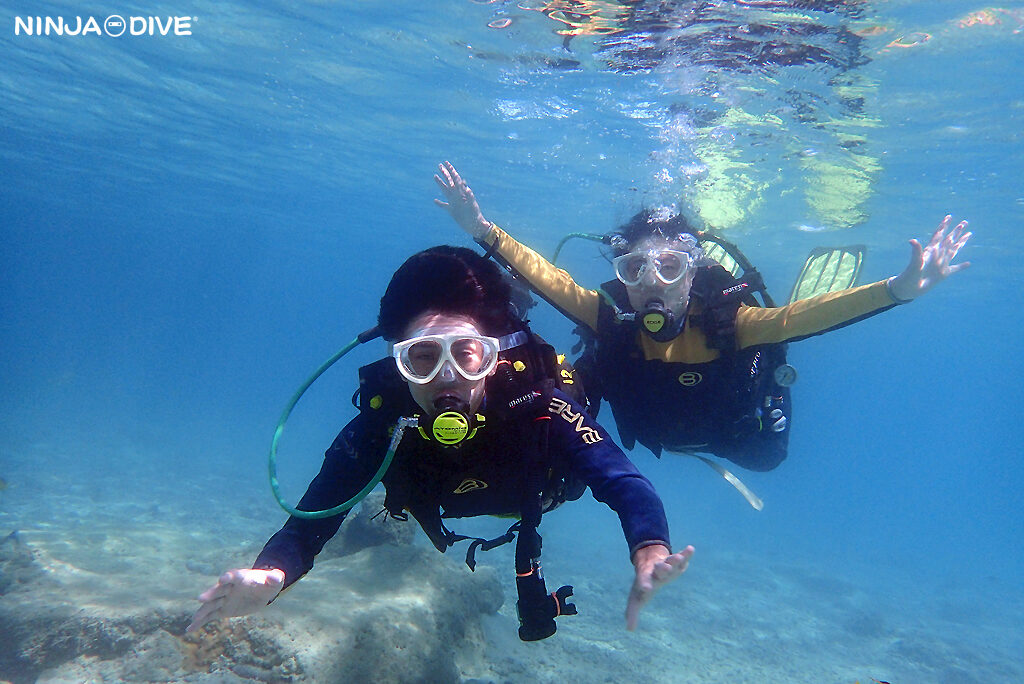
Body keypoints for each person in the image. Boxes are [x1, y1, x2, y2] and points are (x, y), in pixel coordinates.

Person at [187, 246, 694, 640]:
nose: (447, 378)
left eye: (467, 354)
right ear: (399, 366)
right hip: (496, 495)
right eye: (423, 358)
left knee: (591, 384)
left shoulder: (537, 404)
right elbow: (309, 523)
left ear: (492, 358)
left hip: (542, 492)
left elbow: (622, 480)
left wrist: (649, 549)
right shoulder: (383, 427)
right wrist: (273, 576)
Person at [434, 161, 971, 477]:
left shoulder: (729, 323)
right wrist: (481, 227)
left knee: (767, 457)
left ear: (694, 271)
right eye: (635, 266)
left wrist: (897, 289)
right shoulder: (611, 316)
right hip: (649, 425)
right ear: (620, 271)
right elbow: (547, 277)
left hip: (726, 430)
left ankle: (767, 404)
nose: (652, 280)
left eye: (670, 266)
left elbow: (802, 316)